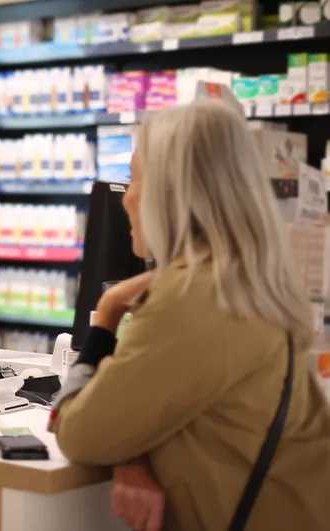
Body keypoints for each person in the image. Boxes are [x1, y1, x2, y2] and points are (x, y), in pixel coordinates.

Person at [48, 100, 330, 531]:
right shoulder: (249, 280)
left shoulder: (189, 297)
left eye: (135, 179)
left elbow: (76, 431)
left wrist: (105, 319)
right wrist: (133, 455)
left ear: (171, 192)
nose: (126, 198)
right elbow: (180, 408)